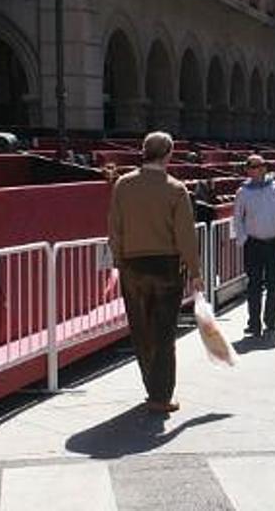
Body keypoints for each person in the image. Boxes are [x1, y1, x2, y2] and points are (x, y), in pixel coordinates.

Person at [107, 132, 204, 414]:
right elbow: (185, 235)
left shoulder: (123, 185)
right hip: (165, 266)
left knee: (141, 330)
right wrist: (195, 271)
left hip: (132, 266)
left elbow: (115, 227)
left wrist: (119, 260)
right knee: (164, 332)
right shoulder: (175, 188)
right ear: (169, 154)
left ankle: (151, 385)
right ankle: (161, 395)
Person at [231, 155, 275, 338]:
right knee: (254, 285)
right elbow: (237, 218)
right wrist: (242, 239)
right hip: (254, 243)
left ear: (265, 168)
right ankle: (253, 323)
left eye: (261, 166)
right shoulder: (243, 192)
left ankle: (270, 320)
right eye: (253, 166)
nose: (257, 169)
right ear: (248, 170)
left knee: (274, 283)